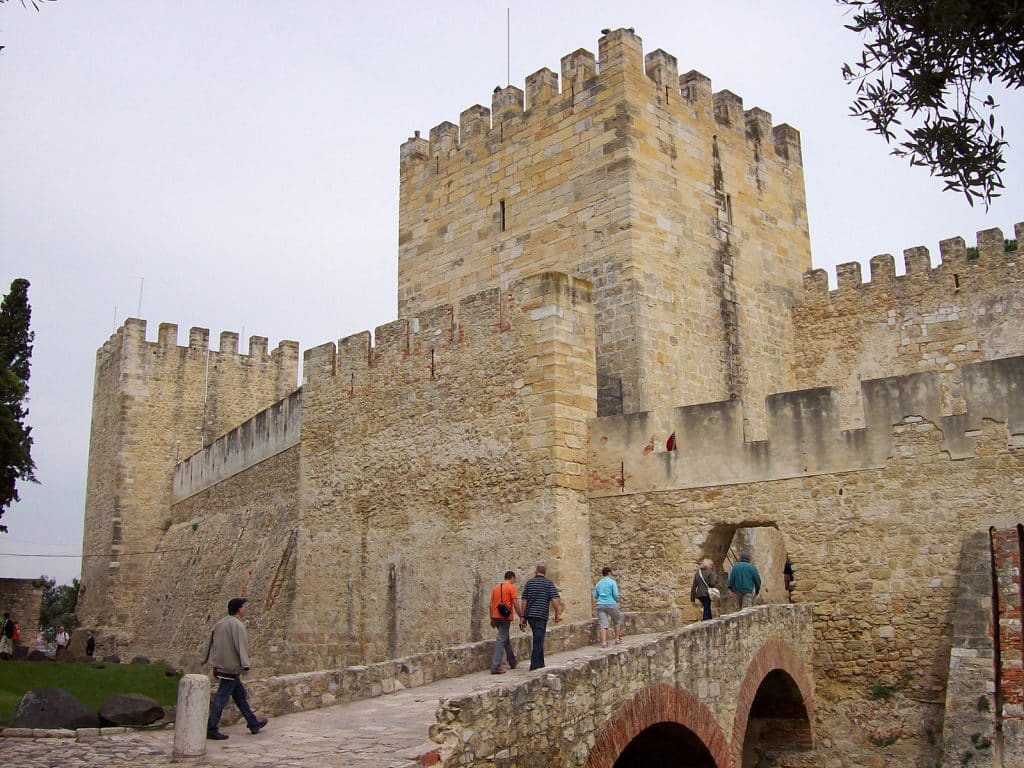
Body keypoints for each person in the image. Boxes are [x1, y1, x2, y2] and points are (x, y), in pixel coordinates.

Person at [204, 597, 268, 740]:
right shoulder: (238, 626)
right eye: (244, 607)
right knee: (221, 698)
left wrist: (212, 663)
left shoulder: (219, 624)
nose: (245, 609)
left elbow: (213, 645)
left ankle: (253, 723)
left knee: (240, 696)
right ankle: (211, 728)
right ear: (239, 609)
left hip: (221, 666)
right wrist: (245, 664)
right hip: (230, 668)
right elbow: (241, 646)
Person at [519, 564, 562, 671]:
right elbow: (554, 600)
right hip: (541, 614)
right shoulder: (548, 583)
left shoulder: (529, 583)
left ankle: (541, 663)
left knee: (538, 637)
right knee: (538, 639)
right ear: (545, 573)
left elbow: (524, 600)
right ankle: (534, 665)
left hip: (530, 615)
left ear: (536, 572)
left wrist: (522, 616)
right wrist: (558, 613)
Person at [489, 570, 522, 674]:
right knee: (501, 639)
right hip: (505, 617)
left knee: (505, 637)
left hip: (496, 616)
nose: (514, 581)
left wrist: (492, 618)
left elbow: (490, 604)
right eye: (514, 579)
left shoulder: (495, 588)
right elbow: (515, 603)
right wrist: (521, 616)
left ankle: (512, 661)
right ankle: (495, 666)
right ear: (512, 578)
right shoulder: (511, 587)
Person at [592, 566, 622, 648]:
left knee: (603, 624)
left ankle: (604, 643)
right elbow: (615, 594)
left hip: (600, 604)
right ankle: (617, 639)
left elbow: (595, 595)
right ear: (609, 573)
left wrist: (601, 599)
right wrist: (617, 599)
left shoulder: (598, 583)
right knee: (617, 620)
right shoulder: (612, 582)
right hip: (611, 603)